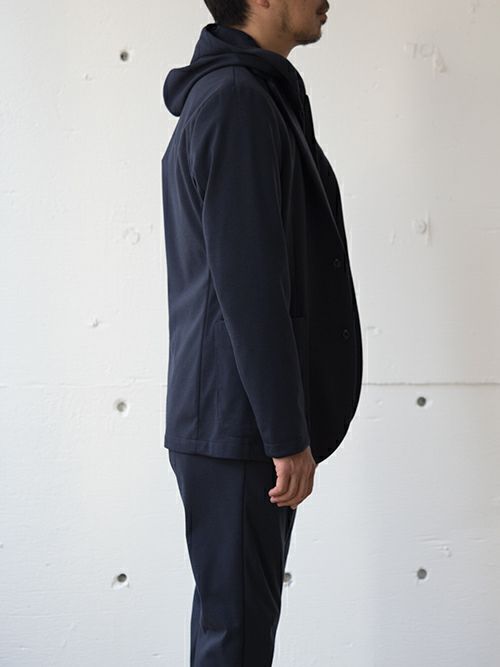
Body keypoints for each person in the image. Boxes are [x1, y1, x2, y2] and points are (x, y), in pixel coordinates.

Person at [160, 1, 363, 664]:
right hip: (241, 424)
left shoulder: (250, 95)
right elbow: (249, 284)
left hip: (236, 420)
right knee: (237, 640)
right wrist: (284, 433)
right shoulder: (236, 101)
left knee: (235, 632)